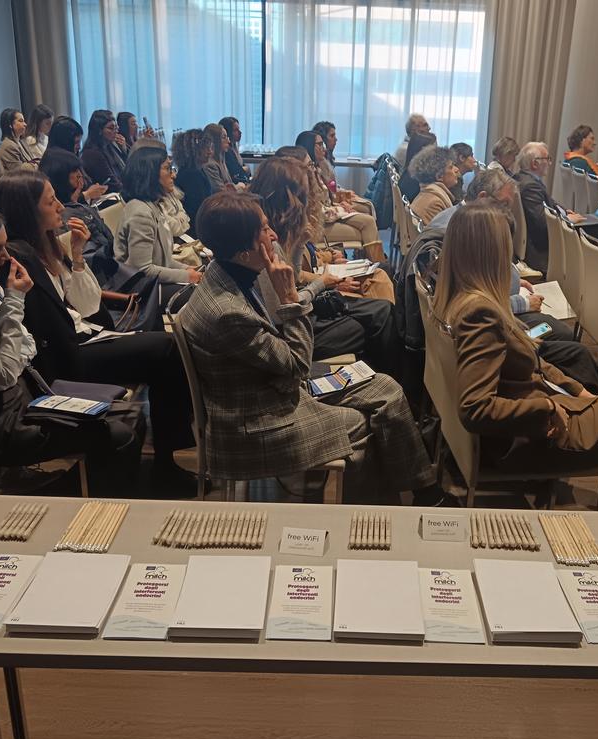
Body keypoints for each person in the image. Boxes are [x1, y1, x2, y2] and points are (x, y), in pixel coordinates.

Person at [178, 190, 454, 506]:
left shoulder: (227, 272)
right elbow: (298, 365)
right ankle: (366, 518)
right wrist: (289, 299)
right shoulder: (227, 312)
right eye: (265, 230)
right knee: (363, 423)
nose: (273, 235)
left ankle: (424, 492)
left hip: (273, 391)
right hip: (255, 428)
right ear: (244, 251)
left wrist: (296, 294)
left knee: (386, 388)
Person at [433, 201, 598, 511]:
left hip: (542, 416)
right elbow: (475, 408)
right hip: (541, 434)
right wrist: (547, 407)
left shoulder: (458, 302)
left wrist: (575, 388)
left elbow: (532, 360)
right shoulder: (480, 313)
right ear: (491, 253)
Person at [0, 196, 144, 496]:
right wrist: (14, 301)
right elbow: (5, 372)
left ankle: (81, 496)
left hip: (20, 397)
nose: (5, 258)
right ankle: (86, 505)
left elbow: (25, 349)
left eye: (4, 247)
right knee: (119, 434)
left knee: (131, 416)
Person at [0, 170, 195, 492]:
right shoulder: (17, 258)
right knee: (167, 349)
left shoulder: (45, 247)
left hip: (81, 337)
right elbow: (50, 329)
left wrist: (77, 256)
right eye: (51, 201)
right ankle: (169, 462)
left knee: (171, 347)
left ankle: (170, 458)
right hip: (60, 358)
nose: (61, 206)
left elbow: (86, 306)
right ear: (27, 210)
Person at [425, 171, 598, 394]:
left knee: (573, 350)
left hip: (505, 324)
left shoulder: (463, 224)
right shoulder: (473, 231)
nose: (508, 212)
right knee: (569, 344)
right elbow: (478, 403)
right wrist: (523, 303)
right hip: (509, 335)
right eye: (504, 205)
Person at [249, 156, 399, 375]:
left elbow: (292, 282)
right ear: (290, 200)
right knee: (379, 316)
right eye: (306, 194)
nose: (311, 200)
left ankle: (384, 375)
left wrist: (300, 245)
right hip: (292, 333)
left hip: (298, 317)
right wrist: (320, 285)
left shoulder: (271, 234)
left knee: (380, 310)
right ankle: (385, 377)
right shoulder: (268, 245)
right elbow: (282, 313)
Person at [295, 131, 386, 264]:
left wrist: (339, 206)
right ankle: (377, 264)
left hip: (326, 218)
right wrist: (341, 210)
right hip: (318, 227)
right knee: (368, 223)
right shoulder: (304, 175)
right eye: (319, 144)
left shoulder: (315, 169)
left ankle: (372, 263)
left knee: (367, 217)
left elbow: (325, 200)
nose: (323, 148)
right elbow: (317, 211)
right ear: (309, 146)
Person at [115, 146, 201, 285]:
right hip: (142, 290)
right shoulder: (140, 213)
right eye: (168, 168)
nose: (173, 175)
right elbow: (141, 270)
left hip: (154, 282)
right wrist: (187, 276)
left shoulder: (153, 204)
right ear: (150, 173)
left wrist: (187, 269)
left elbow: (163, 261)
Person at [38, 148, 115, 271]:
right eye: (74, 171)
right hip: (102, 270)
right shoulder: (62, 218)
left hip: (111, 262)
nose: (80, 174)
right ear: (61, 176)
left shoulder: (77, 205)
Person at [513, 141, 579, 274]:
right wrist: (566, 219)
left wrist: (564, 211)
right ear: (535, 163)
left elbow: (549, 201)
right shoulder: (531, 187)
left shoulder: (521, 178)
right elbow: (543, 223)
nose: (550, 163)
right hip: (540, 251)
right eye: (547, 159)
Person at [171, 128, 214, 230]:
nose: (210, 152)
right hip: (197, 228)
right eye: (206, 148)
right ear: (193, 151)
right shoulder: (191, 175)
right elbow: (198, 209)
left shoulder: (196, 170)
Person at [408, 146, 459, 226]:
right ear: (439, 176)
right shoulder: (435, 203)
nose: (456, 169)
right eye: (451, 167)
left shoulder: (429, 194)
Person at [81, 110, 127, 193]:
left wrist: (124, 150)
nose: (116, 131)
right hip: (108, 196)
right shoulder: (92, 154)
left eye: (116, 127)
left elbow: (127, 170)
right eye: (111, 128)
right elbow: (112, 184)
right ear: (99, 130)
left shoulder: (110, 146)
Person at [398, 132, 438, 201]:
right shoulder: (417, 179)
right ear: (423, 151)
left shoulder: (409, 172)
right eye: (435, 149)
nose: (437, 154)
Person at [201, 122, 234, 192]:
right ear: (214, 141)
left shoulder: (221, 160)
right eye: (224, 137)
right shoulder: (210, 165)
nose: (228, 141)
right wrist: (238, 187)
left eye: (227, 137)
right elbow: (221, 192)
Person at [218, 116, 251, 184]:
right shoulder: (227, 151)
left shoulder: (234, 147)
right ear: (227, 132)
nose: (240, 132)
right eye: (235, 130)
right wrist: (246, 169)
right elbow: (237, 171)